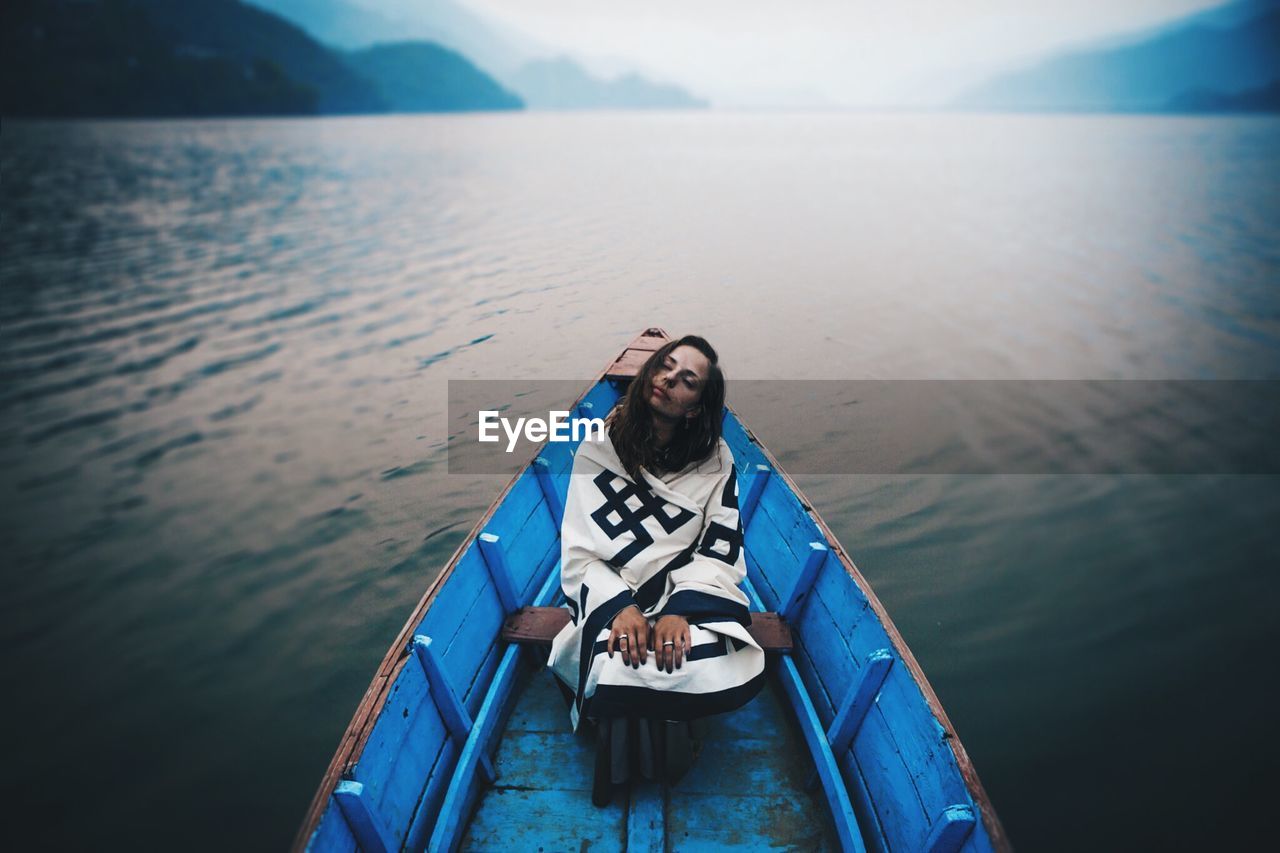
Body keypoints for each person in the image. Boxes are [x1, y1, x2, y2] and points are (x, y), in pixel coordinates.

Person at [547, 334, 766, 805]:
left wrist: (681, 611)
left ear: (694, 408)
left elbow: (719, 550)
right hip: (612, 591)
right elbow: (580, 552)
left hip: (683, 589)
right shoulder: (597, 450)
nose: (670, 378)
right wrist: (620, 608)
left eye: (687, 379)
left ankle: (670, 750)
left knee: (694, 652)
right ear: (649, 374)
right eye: (665, 366)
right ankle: (626, 762)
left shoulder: (716, 462)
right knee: (616, 653)